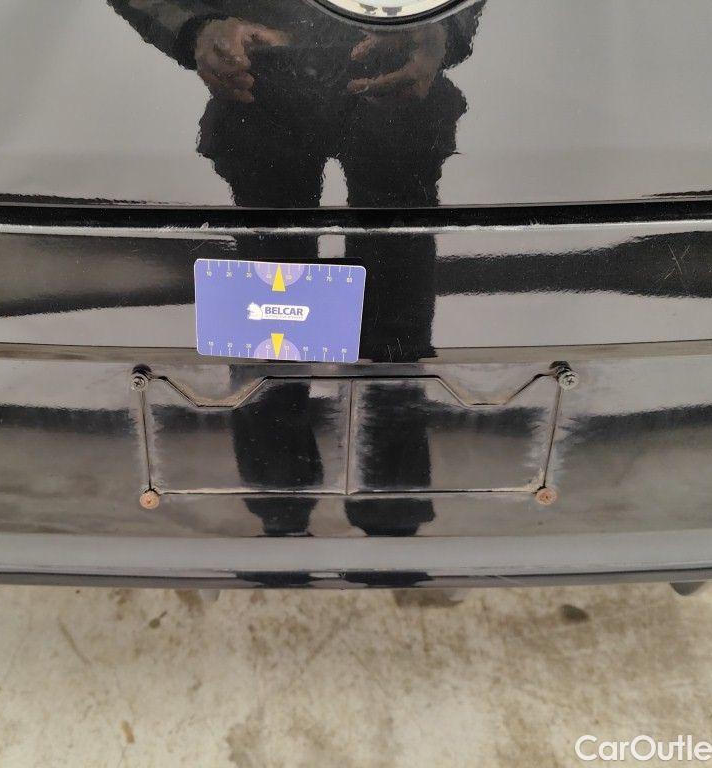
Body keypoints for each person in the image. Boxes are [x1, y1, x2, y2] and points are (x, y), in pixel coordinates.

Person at [110, 0, 484, 536]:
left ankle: (371, 516)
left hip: (388, 93)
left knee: (382, 328)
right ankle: (288, 515)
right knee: (279, 332)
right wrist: (193, 26)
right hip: (259, 90)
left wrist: (443, 25)